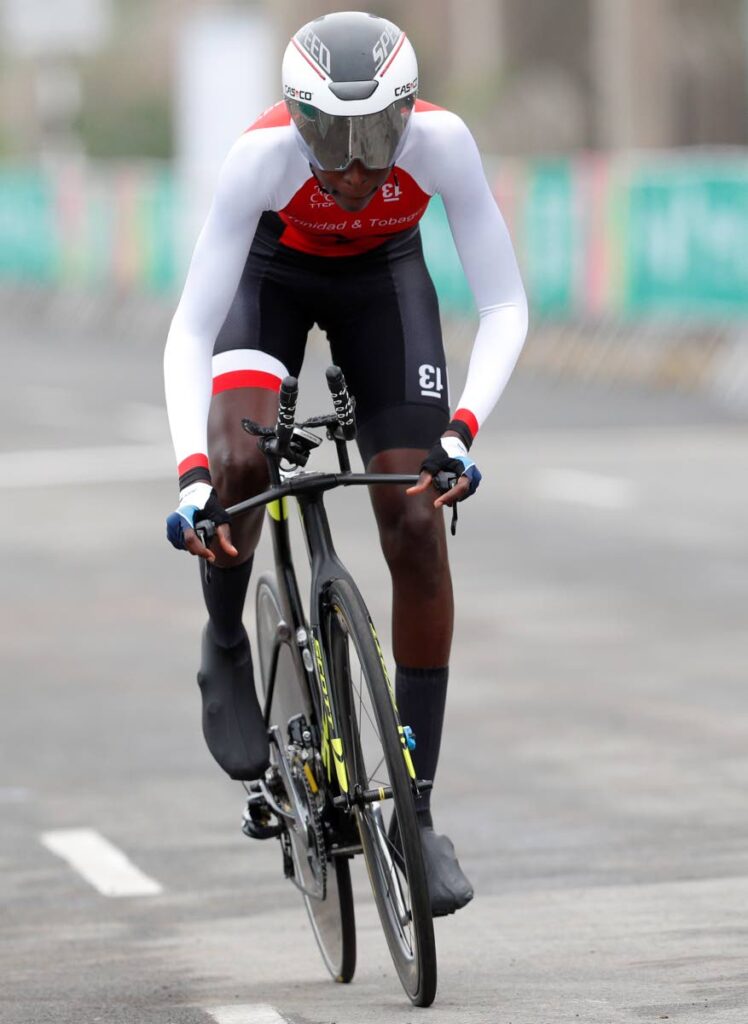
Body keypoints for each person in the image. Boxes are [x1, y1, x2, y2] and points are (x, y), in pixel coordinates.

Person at [164, 11, 528, 917]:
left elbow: (507, 305)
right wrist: (192, 478)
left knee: (416, 520)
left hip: (383, 285)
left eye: (379, 137)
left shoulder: (443, 145)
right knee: (244, 463)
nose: (360, 167)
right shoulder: (259, 161)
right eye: (333, 136)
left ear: (409, 116)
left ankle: (417, 816)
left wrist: (463, 432)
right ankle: (224, 644)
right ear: (297, 120)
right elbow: (190, 334)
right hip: (270, 279)